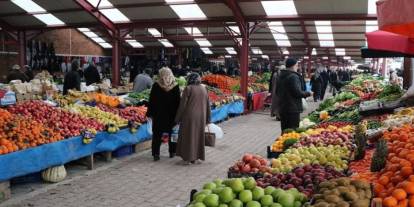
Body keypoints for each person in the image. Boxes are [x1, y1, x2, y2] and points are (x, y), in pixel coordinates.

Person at [175, 73, 211, 165]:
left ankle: (188, 157)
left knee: (188, 137)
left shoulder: (188, 88)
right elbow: (208, 104)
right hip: (201, 116)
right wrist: (208, 119)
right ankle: (195, 157)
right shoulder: (204, 88)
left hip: (189, 116)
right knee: (198, 137)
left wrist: (177, 118)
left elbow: (183, 105)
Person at [147, 67, 181, 161]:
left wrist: (150, 113)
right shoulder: (175, 86)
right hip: (172, 115)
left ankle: (156, 154)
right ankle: (172, 152)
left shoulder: (156, 86)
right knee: (172, 134)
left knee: (157, 135)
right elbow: (178, 102)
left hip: (159, 115)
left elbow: (152, 101)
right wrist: (179, 116)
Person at [276, 58, 312, 132]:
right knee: (293, 131)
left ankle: (282, 143)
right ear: (293, 66)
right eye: (297, 65)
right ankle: (288, 143)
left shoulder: (280, 75)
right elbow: (297, 93)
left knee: (285, 130)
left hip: (283, 108)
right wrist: (308, 93)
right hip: (292, 108)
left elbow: (277, 92)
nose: (297, 67)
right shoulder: (293, 77)